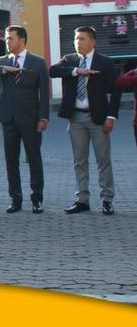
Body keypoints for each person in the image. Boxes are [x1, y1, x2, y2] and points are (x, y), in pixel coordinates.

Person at [49, 26, 121, 215]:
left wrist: (111, 117)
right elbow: (53, 71)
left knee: (103, 160)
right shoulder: (70, 60)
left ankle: (107, 199)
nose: (78, 42)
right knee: (79, 160)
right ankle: (82, 199)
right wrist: (76, 71)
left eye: (82, 39)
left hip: (98, 119)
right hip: (76, 118)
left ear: (92, 42)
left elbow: (116, 91)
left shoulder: (104, 62)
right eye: (76, 39)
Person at [0, 27, 49, 214]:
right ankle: (15, 199)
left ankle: (37, 199)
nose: (7, 42)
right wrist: (4, 69)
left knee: (34, 160)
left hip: (30, 118)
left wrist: (44, 117)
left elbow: (44, 93)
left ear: (22, 41)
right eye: (6, 39)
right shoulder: (3, 60)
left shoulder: (38, 62)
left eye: (11, 38)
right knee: (11, 160)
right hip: (8, 118)